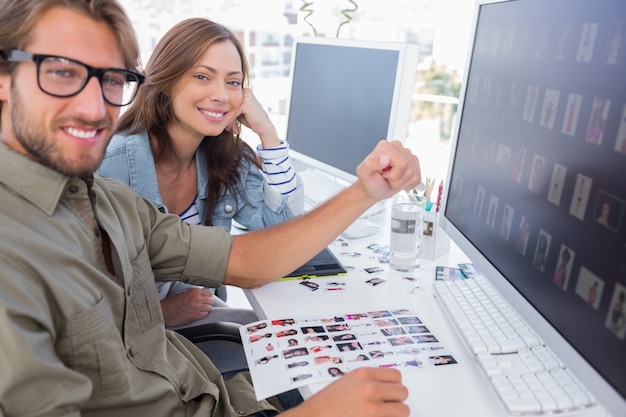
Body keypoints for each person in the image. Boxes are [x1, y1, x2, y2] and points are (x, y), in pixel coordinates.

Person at [0, 1, 420, 416]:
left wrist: (365, 190)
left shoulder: (106, 199)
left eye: (111, 80)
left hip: (201, 384)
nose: (94, 108)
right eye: (61, 72)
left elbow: (247, 259)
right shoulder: (33, 231)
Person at [97, 18, 304, 328]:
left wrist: (269, 134)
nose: (221, 95)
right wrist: (163, 312)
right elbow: (81, 301)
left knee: (283, 333)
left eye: (233, 82)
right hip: (132, 338)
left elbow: (285, 236)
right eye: (202, 77)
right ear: (165, 81)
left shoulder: (221, 157)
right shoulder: (111, 164)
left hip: (193, 318)